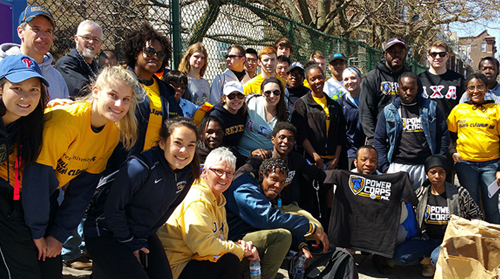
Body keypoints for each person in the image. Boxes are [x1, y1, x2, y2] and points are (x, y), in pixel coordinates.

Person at [20, 66, 140, 278]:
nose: (119, 105)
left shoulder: (112, 132)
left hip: (41, 200)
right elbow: (35, 181)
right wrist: (37, 233)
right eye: (113, 95)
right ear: (95, 91)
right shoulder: (66, 122)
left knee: (50, 268)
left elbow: (82, 191)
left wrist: (58, 235)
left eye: (126, 99)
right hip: (14, 193)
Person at [84, 117, 200, 279]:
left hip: (139, 233)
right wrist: (130, 242)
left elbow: (166, 212)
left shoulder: (188, 173)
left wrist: (140, 239)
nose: (184, 151)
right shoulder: (139, 167)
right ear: (162, 143)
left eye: (190, 145)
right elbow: (112, 210)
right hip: (104, 231)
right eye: (178, 143)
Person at [158, 147, 258, 279]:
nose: (224, 177)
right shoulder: (197, 198)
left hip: (196, 260)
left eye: (230, 173)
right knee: (230, 262)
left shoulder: (218, 199)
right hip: (175, 268)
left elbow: (218, 241)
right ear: (205, 172)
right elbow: (203, 245)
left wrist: (240, 246)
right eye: (219, 171)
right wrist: (239, 249)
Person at [225, 158, 329, 279]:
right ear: (261, 174)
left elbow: (278, 220)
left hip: (245, 242)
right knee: (282, 236)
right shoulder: (244, 187)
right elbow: (268, 218)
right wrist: (310, 227)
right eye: (274, 179)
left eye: (282, 182)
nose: (278, 186)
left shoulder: (260, 186)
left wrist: (301, 245)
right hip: (231, 246)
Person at [106, 23, 182, 173]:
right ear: (136, 53)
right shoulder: (119, 81)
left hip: (153, 166)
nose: (155, 57)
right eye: (149, 51)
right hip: (119, 164)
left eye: (160, 54)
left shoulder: (166, 92)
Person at [392, 155, 483, 278]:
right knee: (399, 256)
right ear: (427, 173)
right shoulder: (420, 193)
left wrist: (466, 237)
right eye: (433, 172)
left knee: (438, 257)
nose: (437, 176)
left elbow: (477, 216)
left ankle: (438, 262)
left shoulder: (459, 193)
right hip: (426, 239)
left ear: (446, 173)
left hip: (450, 240)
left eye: (441, 172)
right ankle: (428, 262)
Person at [0, 54, 49, 279]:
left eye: (33, 89)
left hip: (13, 208)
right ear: (1, 89)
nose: (26, 97)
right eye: (17, 88)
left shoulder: (30, 124)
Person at [374, 72, 449, 190]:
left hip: (425, 166)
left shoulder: (431, 108)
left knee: (423, 205)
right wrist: (385, 167)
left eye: (412, 89)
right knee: (399, 206)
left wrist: (439, 161)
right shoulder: (389, 111)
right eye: (404, 89)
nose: (408, 92)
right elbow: (379, 139)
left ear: (417, 89)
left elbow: (443, 135)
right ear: (398, 88)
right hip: (398, 166)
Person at [242, 122, 326, 217]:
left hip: (288, 207)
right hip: (262, 207)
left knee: (315, 226)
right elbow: (242, 172)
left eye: (290, 139)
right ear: (273, 140)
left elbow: (318, 173)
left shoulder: (296, 159)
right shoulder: (263, 157)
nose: (286, 141)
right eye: (282, 137)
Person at [448, 73, 500, 224]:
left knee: (491, 207)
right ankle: (474, 241)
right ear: (466, 90)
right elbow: (448, 135)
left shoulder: (496, 110)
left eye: (480, 87)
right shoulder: (458, 110)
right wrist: (453, 152)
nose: (475, 91)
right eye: (471, 88)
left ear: (487, 88)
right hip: (466, 165)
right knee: (471, 206)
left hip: (491, 165)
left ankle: (494, 242)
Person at [0, 5, 69, 100]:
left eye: (48, 31)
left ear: (52, 36)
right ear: (20, 32)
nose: (43, 36)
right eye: (36, 29)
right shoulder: (2, 66)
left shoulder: (57, 78)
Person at [291, 63, 346, 170]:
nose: (317, 82)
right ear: (307, 81)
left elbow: (341, 135)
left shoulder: (334, 105)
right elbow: (301, 134)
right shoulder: (301, 104)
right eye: (313, 79)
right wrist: (315, 157)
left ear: (324, 78)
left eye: (320, 77)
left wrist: (335, 160)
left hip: (332, 163)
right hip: (311, 161)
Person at [359, 38, 410, 144]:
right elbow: (365, 110)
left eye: (400, 52)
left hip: (405, 138)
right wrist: (373, 138)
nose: (397, 55)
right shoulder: (372, 77)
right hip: (380, 137)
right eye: (392, 52)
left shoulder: (410, 78)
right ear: (385, 54)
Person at [238, 77, 287, 158]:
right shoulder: (250, 101)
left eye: (276, 92)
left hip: (266, 157)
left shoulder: (285, 115)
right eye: (267, 92)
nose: (272, 96)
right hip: (243, 153)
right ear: (262, 93)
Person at [55, 20, 103, 98]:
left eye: (96, 40)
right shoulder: (65, 64)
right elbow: (82, 93)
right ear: (76, 39)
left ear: (100, 44)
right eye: (86, 37)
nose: (91, 42)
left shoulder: (98, 68)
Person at [418, 40, 465, 118]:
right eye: (433, 54)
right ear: (428, 57)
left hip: (450, 128)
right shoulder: (419, 79)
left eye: (442, 54)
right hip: (425, 127)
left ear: (447, 56)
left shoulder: (459, 80)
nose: (437, 57)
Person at [339, 67, 365, 170]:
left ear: (360, 79)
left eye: (353, 78)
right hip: (350, 153)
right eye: (346, 79)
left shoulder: (369, 100)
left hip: (368, 150)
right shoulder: (340, 104)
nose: (350, 82)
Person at [208, 81, 246, 149]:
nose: (236, 99)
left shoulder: (243, 112)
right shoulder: (216, 116)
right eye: (231, 96)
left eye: (240, 95)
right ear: (224, 98)